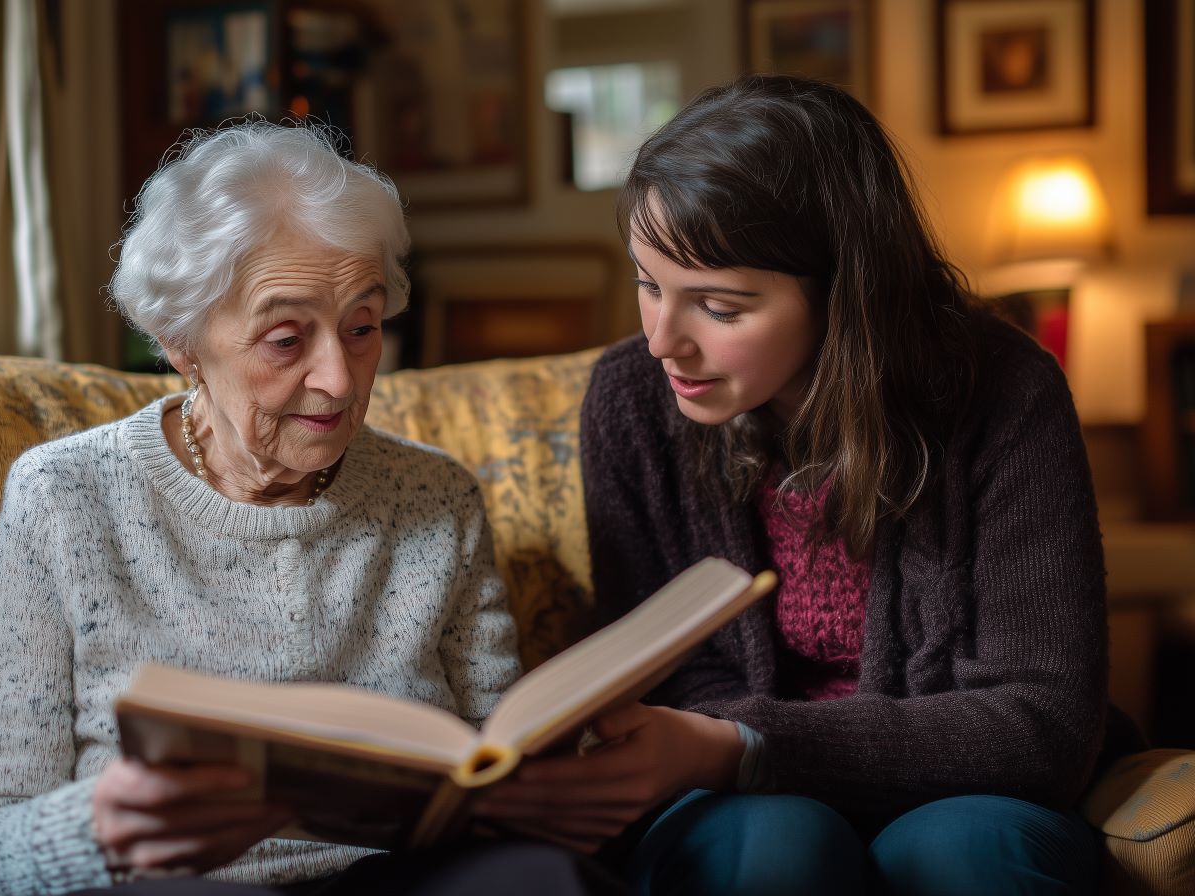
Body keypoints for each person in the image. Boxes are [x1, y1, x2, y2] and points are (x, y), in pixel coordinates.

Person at [474, 74, 1135, 894]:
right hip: (735, 804)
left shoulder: (1005, 392)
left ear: (844, 295)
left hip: (966, 792)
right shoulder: (632, 402)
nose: (662, 343)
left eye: (718, 306)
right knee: (775, 849)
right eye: (649, 285)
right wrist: (717, 755)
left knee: (964, 855)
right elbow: (659, 679)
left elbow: (1041, 724)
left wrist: (744, 742)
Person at [0, 120, 623, 896]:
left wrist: (552, 786)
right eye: (287, 339)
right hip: (182, 886)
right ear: (181, 341)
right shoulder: (65, 497)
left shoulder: (438, 498)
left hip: (400, 879)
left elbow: (501, 760)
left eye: (362, 329)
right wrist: (94, 829)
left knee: (547, 879)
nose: (338, 377)